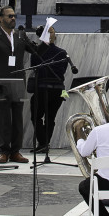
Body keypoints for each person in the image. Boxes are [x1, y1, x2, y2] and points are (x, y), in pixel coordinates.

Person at [0, 6, 33, 163]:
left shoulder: (20, 35)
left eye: (14, 16)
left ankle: (15, 151)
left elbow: (35, 50)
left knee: (17, 117)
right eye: (9, 16)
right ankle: (4, 151)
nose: (13, 18)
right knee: (3, 117)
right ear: (1, 18)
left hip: (18, 80)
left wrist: (47, 39)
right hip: (1, 81)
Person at [30, 23, 72, 156]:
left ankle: (43, 144)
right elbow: (34, 66)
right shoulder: (38, 51)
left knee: (46, 117)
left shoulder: (60, 52)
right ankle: (44, 143)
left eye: (52, 31)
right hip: (46, 88)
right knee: (40, 117)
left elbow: (61, 70)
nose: (50, 34)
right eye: (47, 32)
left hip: (51, 89)